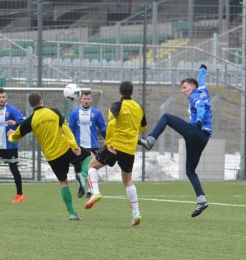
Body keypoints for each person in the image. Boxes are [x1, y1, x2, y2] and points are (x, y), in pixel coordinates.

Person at [138, 64, 212, 218]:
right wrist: (202, 70)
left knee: (166, 117)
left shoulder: (194, 95)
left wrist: (198, 120)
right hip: (204, 138)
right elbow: (202, 79)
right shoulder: (203, 89)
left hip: (195, 131)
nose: (183, 91)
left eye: (185, 87)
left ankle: (150, 141)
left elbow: (200, 107)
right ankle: (201, 200)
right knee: (190, 171)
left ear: (192, 87)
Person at [7, 92, 93, 220]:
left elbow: (15, 138)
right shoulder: (54, 112)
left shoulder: (30, 121)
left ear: (31, 105)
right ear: (42, 101)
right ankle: (83, 175)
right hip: (65, 148)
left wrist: (10, 134)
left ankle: (72, 213)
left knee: (64, 182)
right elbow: (66, 128)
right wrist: (74, 145)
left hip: (52, 156)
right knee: (90, 156)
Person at [84, 81, 147, 226]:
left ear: (119, 92)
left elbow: (111, 124)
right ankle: (136, 213)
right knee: (127, 181)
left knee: (92, 167)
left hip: (115, 146)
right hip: (129, 149)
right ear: (132, 92)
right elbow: (142, 127)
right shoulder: (139, 107)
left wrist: (110, 142)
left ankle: (96, 192)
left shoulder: (116, 105)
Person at [0, 88, 26, 203]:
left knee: (14, 169)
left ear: (6, 97)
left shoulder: (12, 110)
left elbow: (25, 121)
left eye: (3, 97)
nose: (1, 99)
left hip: (10, 146)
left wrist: (15, 123)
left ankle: (19, 194)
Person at [68, 90, 106, 199]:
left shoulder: (96, 113)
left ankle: (90, 190)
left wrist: (108, 141)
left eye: (88, 99)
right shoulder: (74, 113)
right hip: (78, 146)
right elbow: (70, 130)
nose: (86, 101)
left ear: (91, 100)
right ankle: (81, 185)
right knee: (78, 169)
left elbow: (102, 128)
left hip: (92, 145)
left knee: (91, 168)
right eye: (84, 99)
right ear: (81, 99)